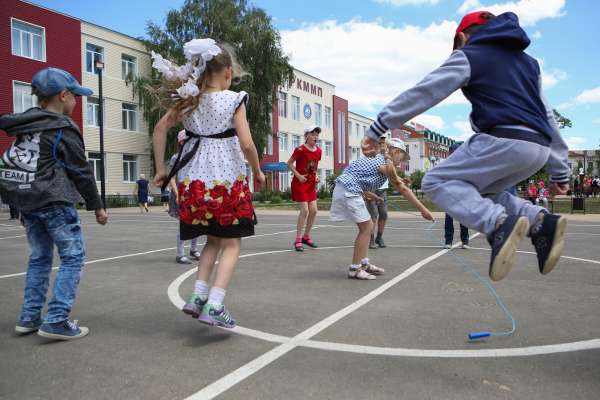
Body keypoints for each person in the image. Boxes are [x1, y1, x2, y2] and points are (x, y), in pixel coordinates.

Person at [362, 11, 570, 282]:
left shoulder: (470, 53)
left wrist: (380, 125)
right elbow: (548, 114)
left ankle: (498, 226)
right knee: (485, 191)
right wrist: (559, 168)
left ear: (461, 37)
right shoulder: (530, 64)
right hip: (538, 147)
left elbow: (426, 91)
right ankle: (541, 222)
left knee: (436, 180)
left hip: (503, 137)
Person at [152, 38, 265, 328]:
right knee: (232, 244)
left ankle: (198, 297)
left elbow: (160, 128)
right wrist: (257, 171)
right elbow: (247, 143)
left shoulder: (190, 100)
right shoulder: (233, 99)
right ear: (228, 71)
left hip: (194, 186)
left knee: (212, 241)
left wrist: (162, 169)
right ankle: (215, 304)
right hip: (225, 184)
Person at [0, 67, 108, 340]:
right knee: (73, 258)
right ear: (63, 96)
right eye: (75, 97)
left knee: (39, 258)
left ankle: (29, 317)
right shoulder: (62, 127)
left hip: (28, 203)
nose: (76, 102)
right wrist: (97, 205)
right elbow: (81, 171)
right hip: (55, 201)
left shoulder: (26, 125)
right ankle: (57, 320)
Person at [331, 138, 433, 280]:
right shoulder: (382, 162)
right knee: (366, 228)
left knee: (368, 226)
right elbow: (402, 188)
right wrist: (423, 210)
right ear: (396, 151)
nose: (402, 162)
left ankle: (363, 263)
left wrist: (373, 196)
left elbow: (359, 180)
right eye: (402, 157)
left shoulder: (379, 161)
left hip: (348, 189)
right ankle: (355, 269)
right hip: (347, 191)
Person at [168, 130, 201, 264]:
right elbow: (172, 178)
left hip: (194, 193)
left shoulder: (195, 157)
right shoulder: (176, 158)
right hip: (181, 194)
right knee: (184, 223)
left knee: (197, 222)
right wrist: (177, 193)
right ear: (181, 142)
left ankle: (193, 249)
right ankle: (180, 254)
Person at [288, 126, 321, 251]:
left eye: (317, 135)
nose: (315, 137)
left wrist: (316, 177)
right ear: (306, 135)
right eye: (312, 134)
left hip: (311, 184)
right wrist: (298, 175)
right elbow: (289, 163)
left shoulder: (318, 151)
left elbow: (315, 167)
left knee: (314, 211)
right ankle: (298, 239)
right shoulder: (300, 149)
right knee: (305, 210)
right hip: (300, 183)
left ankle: (306, 237)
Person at [366, 137, 390, 249]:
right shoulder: (370, 157)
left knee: (384, 214)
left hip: (383, 190)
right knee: (373, 216)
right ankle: (371, 239)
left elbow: (391, 173)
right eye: (380, 143)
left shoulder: (387, 158)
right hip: (372, 190)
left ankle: (379, 237)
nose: (382, 145)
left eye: (383, 143)